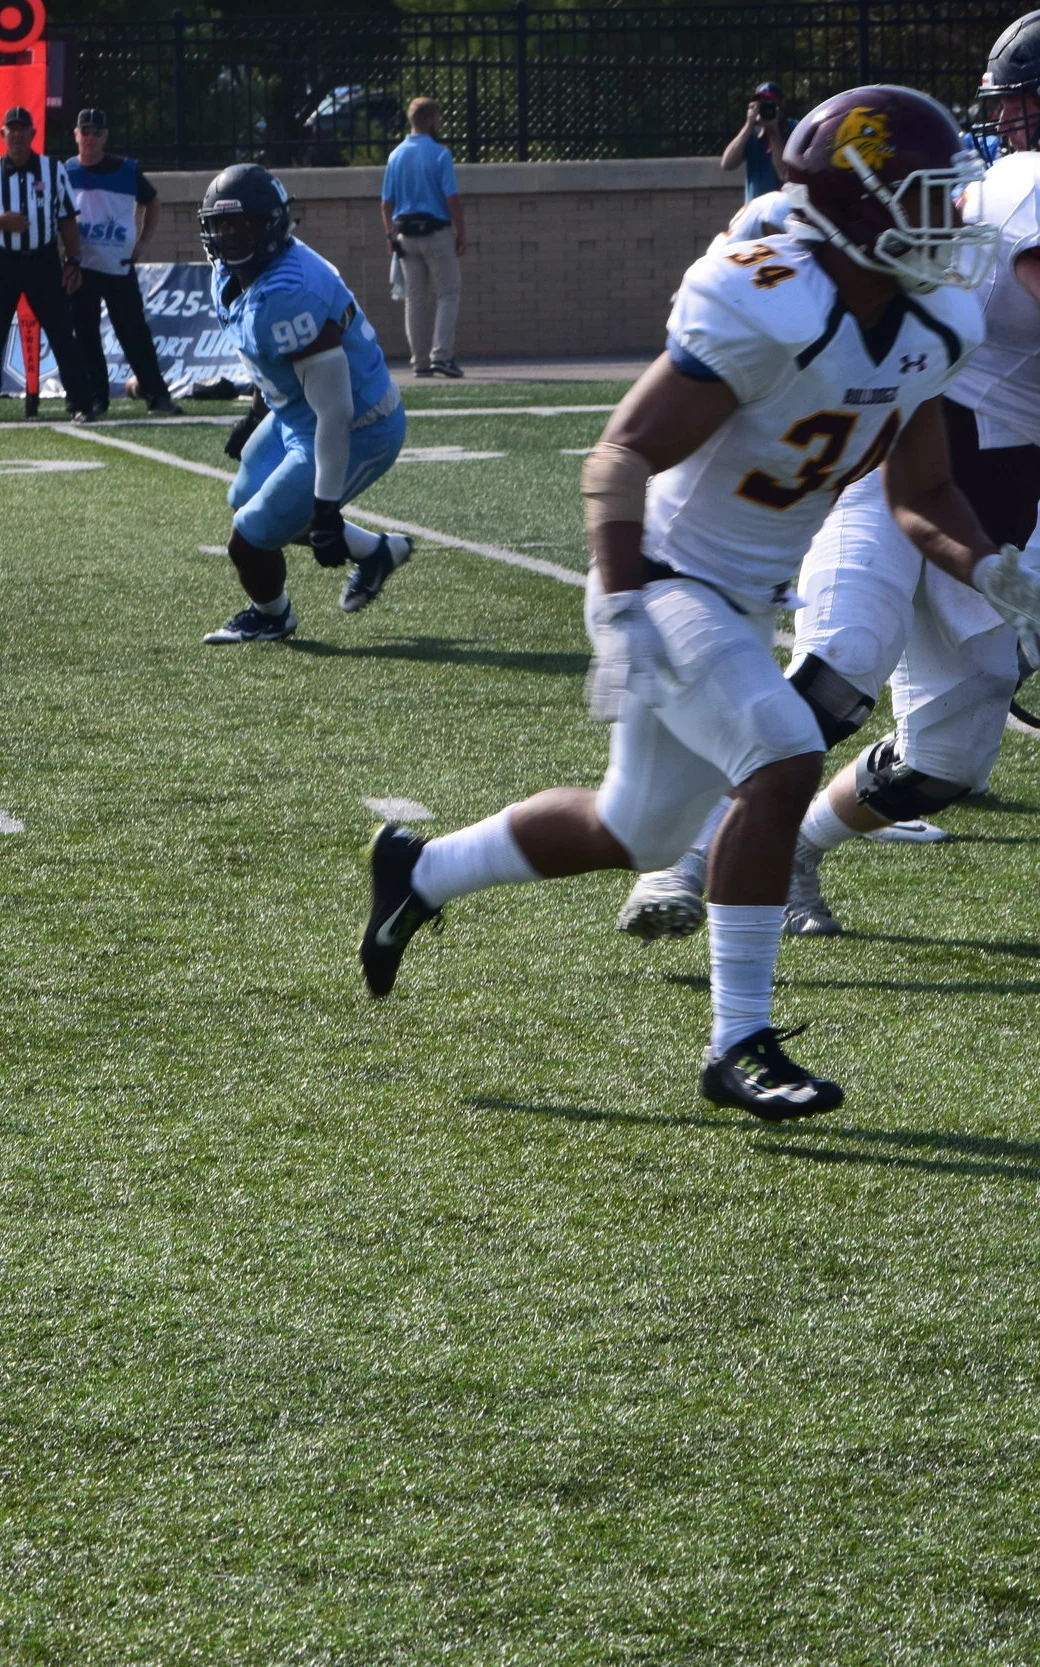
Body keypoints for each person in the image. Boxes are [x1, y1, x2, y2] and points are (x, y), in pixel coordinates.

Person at [360, 86, 1032, 1118]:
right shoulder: (772, 297)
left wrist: (985, 565)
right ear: (858, 205)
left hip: (745, 589)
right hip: (665, 573)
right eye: (929, 197)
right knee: (781, 751)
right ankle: (738, 1041)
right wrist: (620, 598)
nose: (953, 221)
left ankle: (421, 870)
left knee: (633, 826)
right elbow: (620, 452)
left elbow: (923, 490)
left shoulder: (929, 317)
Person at [620, 31, 1040, 944]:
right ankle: (688, 852)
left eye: (1022, 98)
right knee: (845, 657)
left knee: (947, 760)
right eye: (1010, 99)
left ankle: (797, 843)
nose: (1006, 117)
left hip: (1006, 488)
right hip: (896, 447)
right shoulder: (1026, 185)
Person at [196, 162, 411, 640]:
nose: (230, 235)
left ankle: (272, 616)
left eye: (243, 223)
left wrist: (328, 509)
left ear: (271, 224)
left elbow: (336, 410)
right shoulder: (229, 274)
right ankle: (375, 551)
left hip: (359, 424)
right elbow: (266, 355)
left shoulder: (291, 292)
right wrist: (256, 413)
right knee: (245, 497)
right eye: (221, 223)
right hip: (297, 411)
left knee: (248, 540)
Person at [0, 105, 99, 427]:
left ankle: (80, 402)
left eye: (24, 129)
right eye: (12, 129)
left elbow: (67, 219)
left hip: (42, 260)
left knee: (62, 333)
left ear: (33, 134)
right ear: (2, 134)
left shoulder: (52, 170)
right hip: (2, 261)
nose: (18, 135)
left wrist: (73, 261)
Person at [63, 107, 176, 418]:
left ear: (105, 137)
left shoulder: (126, 170)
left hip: (118, 267)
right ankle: (95, 399)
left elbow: (152, 201)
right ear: (75, 135)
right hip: (81, 269)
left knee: (134, 332)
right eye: (84, 131)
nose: (89, 137)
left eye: (96, 132)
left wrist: (142, 243)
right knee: (85, 336)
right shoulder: (66, 172)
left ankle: (157, 396)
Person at [380, 95, 465, 378]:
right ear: (428, 120)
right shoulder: (440, 154)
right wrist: (461, 231)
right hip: (435, 232)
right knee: (448, 294)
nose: (439, 123)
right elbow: (451, 198)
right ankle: (441, 355)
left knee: (415, 299)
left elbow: (386, 202)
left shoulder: (395, 155)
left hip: (405, 234)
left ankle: (419, 361)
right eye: (438, 118)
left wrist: (389, 234)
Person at [721, 81, 790, 203]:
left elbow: (785, 175)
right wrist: (748, 125)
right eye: (761, 103)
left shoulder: (793, 130)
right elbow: (727, 164)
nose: (765, 107)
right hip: (754, 209)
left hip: (781, 211)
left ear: (782, 104)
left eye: (770, 103)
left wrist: (774, 133)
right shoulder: (752, 134)